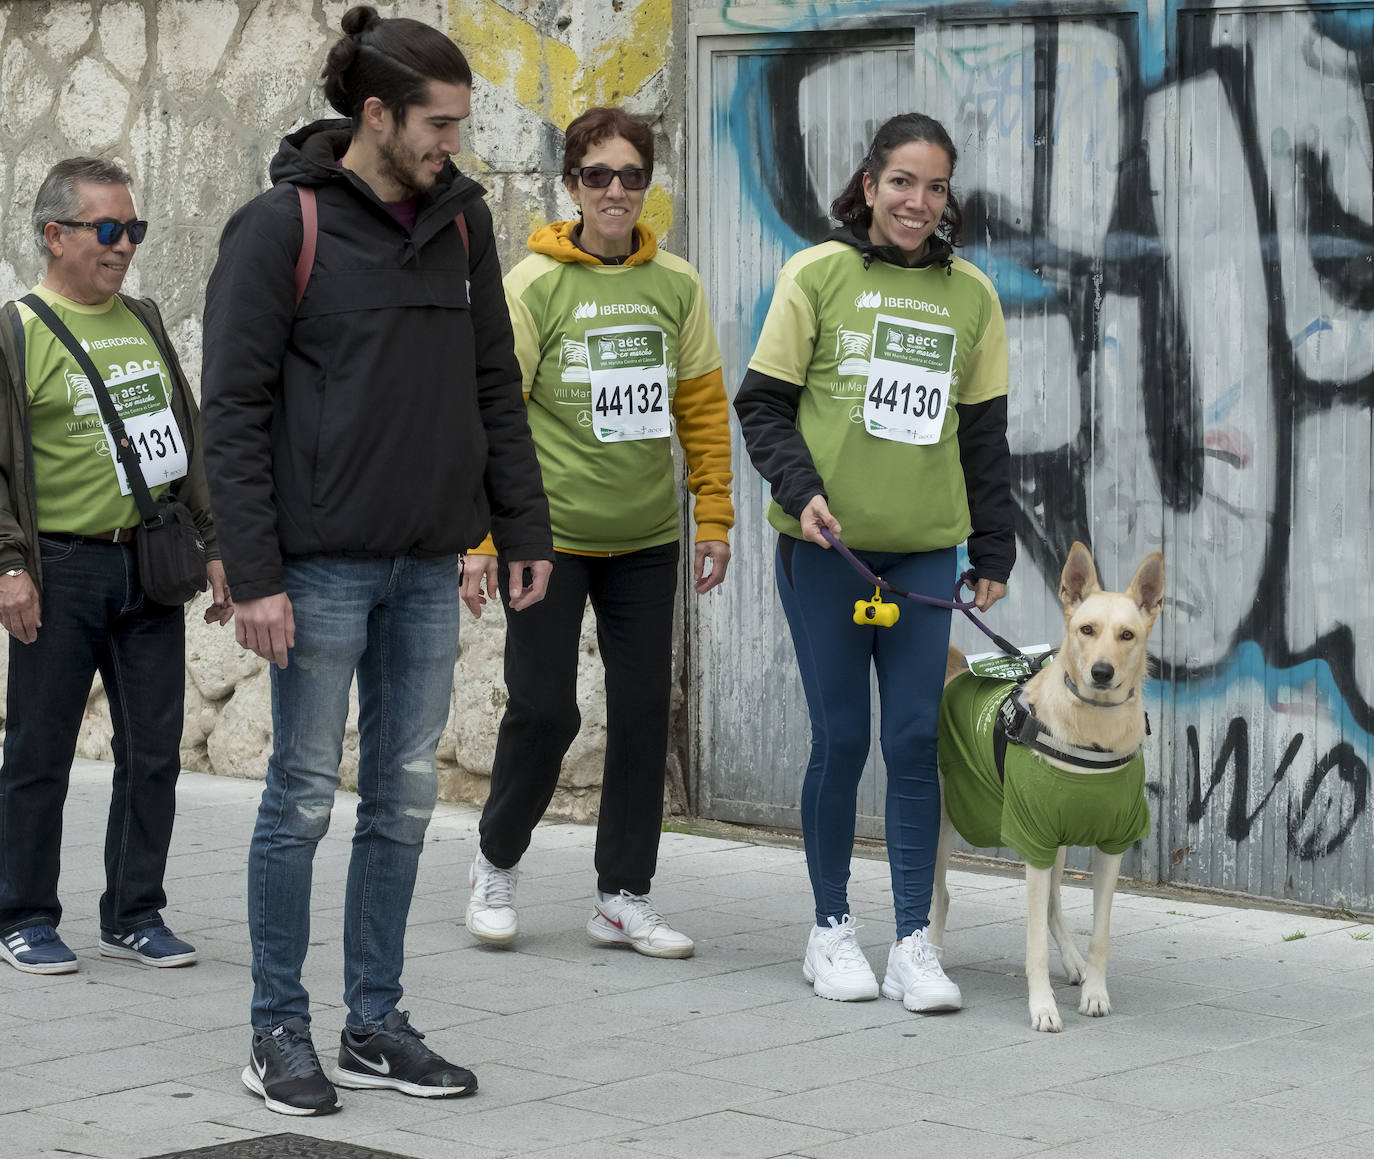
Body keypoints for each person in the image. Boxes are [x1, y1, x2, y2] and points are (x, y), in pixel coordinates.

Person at [200, 6, 552, 1117]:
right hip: (319, 570)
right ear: (376, 115)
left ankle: (372, 1023)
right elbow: (234, 410)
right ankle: (275, 1030)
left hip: (429, 562)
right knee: (299, 800)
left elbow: (495, 380)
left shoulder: (461, 226)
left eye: (460, 122)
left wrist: (522, 526)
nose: (455, 141)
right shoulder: (278, 228)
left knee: (403, 801)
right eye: (438, 123)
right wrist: (251, 570)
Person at [734, 113, 1014, 1009]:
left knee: (913, 742)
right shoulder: (816, 273)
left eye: (935, 188)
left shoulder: (972, 295)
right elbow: (763, 404)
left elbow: (984, 435)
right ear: (868, 184)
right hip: (830, 551)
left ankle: (914, 942)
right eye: (902, 182)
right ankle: (829, 930)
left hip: (928, 551)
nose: (917, 203)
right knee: (845, 737)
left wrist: (993, 546)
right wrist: (803, 488)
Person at [462, 106, 733, 960]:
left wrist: (713, 513)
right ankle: (496, 860)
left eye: (631, 176)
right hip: (550, 538)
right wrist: (484, 540)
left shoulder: (676, 285)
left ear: (649, 187)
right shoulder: (535, 284)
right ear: (570, 185)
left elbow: (699, 406)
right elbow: (495, 416)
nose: (615, 191)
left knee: (645, 710)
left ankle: (623, 893)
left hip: (648, 537)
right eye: (596, 175)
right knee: (545, 709)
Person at [0, 157, 231, 977]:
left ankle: (134, 911)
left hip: (148, 563)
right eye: (108, 229)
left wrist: (212, 545)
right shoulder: (17, 329)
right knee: (39, 748)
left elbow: (186, 441)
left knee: (154, 748)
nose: (125, 244)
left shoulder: (144, 317)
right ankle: (24, 913)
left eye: (134, 229)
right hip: (59, 565)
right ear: (55, 234)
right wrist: (9, 566)